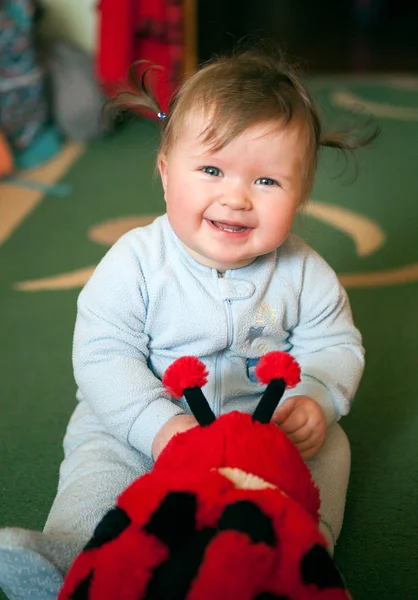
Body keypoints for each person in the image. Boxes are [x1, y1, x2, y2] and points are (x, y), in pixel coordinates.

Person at [0, 44, 375, 599]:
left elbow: (336, 342)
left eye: (267, 181)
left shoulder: (304, 272)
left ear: (301, 195)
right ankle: (74, 553)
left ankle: (300, 552)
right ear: (165, 172)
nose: (236, 197)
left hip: (261, 430)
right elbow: (105, 355)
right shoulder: (134, 261)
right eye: (211, 169)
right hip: (147, 425)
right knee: (98, 462)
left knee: (330, 451)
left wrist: (316, 400)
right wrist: (158, 428)